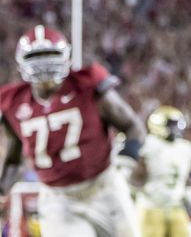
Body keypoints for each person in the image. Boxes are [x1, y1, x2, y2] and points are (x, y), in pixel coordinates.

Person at [0, 25, 145, 237]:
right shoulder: (14, 102)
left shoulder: (86, 85)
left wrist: (126, 160)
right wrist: (2, 189)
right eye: (36, 57)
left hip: (105, 189)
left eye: (49, 55)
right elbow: (14, 156)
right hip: (59, 200)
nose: (44, 64)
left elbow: (132, 126)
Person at [136, 106, 191, 237]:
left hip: (176, 206)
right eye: (171, 124)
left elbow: (184, 177)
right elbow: (137, 176)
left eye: (177, 124)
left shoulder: (186, 148)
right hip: (152, 206)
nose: (175, 129)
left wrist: (185, 190)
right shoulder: (149, 144)